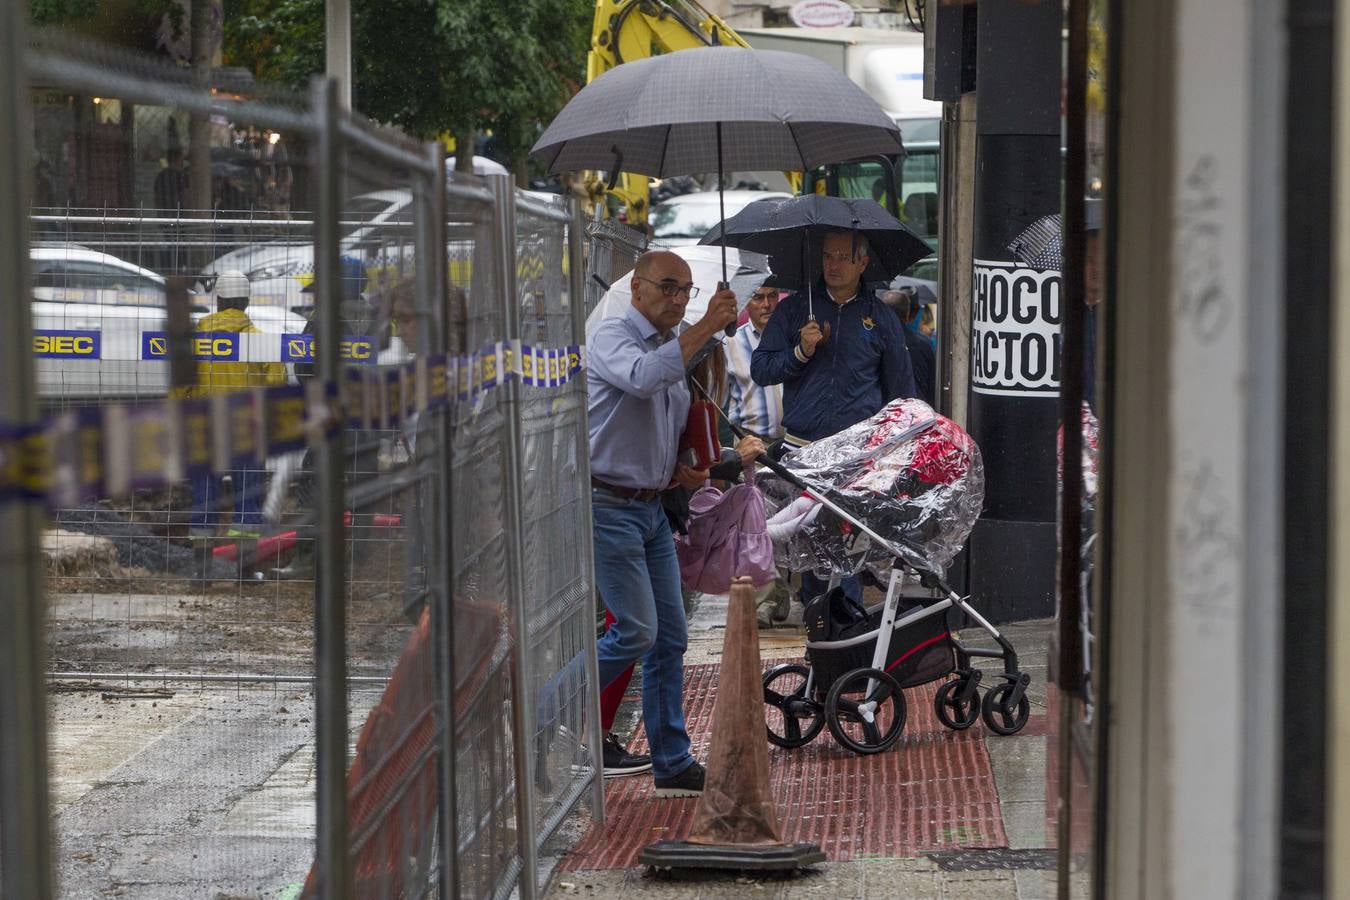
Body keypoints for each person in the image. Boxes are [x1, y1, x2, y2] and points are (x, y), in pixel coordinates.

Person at [587, 249, 737, 797]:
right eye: (669, 287)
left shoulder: (670, 348)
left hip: (649, 508)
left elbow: (661, 420)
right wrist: (703, 326)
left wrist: (682, 469)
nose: (678, 299)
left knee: (669, 637)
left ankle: (672, 760)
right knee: (635, 630)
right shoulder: (613, 336)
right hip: (607, 506)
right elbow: (645, 380)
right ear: (638, 288)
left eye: (687, 290)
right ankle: (542, 711)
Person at [751, 228, 918, 608]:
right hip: (803, 452)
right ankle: (823, 636)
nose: (833, 265)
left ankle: (842, 632)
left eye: (844, 256)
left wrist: (896, 454)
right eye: (828, 256)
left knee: (843, 553)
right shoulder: (796, 309)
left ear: (863, 262)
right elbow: (762, 369)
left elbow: (902, 394)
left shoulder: (880, 317)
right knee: (812, 554)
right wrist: (801, 351)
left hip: (854, 457)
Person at [183, 270, 287, 538]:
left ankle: (201, 566)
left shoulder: (198, 337)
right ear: (246, 302)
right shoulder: (260, 340)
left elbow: (181, 383)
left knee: (204, 497)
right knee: (247, 499)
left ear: (218, 300)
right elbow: (277, 383)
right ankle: (244, 566)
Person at [725, 275, 786, 443]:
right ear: (745, 302)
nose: (767, 304)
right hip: (750, 444)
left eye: (772, 295)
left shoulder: (792, 338)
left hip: (791, 444)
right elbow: (717, 401)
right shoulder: (731, 344)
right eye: (758, 297)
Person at [881, 288, 937, 406]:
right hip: (917, 413)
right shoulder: (923, 345)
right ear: (907, 316)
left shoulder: (872, 343)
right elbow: (932, 389)